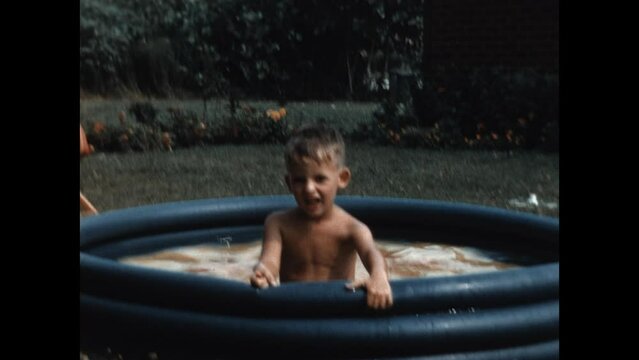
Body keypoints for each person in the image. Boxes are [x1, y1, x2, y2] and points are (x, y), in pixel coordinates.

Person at [250, 123, 393, 309]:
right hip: (292, 311)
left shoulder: (352, 228)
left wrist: (379, 276)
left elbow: (371, 253)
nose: (309, 188)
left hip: (336, 312)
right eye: (300, 180)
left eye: (320, 179)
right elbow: (270, 260)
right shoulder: (278, 224)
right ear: (289, 182)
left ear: (342, 178)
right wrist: (263, 272)